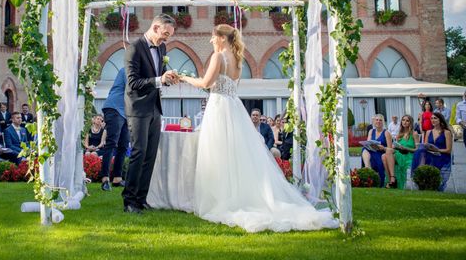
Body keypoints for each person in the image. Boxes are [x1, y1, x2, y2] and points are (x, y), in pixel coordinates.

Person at [180, 24, 336, 232]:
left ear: (222, 39)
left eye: (213, 37)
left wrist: (183, 77)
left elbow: (206, 83)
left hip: (219, 107)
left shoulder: (218, 57)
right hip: (234, 107)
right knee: (235, 154)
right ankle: (234, 194)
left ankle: (223, 198)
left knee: (218, 153)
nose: (211, 40)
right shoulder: (238, 60)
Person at [122, 14, 179, 214]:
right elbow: (133, 83)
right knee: (138, 152)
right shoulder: (134, 48)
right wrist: (159, 80)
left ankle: (141, 199)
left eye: (169, 35)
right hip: (137, 108)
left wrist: (168, 78)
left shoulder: (162, 47)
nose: (166, 39)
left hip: (155, 107)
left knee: (150, 154)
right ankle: (129, 201)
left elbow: (159, 76)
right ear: (155, 27)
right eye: (165, 34)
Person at [100, 68, 130, 192]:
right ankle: (105, 179)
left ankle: (117, 178)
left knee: (123, 145)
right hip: (114, 108)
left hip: (126, 112)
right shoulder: (127, 69)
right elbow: (132, 88)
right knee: (112, 143)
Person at [412, 112, 453, 191]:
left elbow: (448, 150)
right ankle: (420, 175)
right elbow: (426, 146)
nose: (433, 120)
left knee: (424, 156)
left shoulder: (446, 132)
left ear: (440, 120)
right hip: (430, 154)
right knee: (420, 150)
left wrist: (437, 150)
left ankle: (421, 174)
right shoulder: (428, 132)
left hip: (442, 156)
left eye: (435, 118)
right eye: (431, 118)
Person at [382, 114, 418, 189]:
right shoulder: (399, 134)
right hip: (399, 154)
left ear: (410, 123)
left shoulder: (414, 134)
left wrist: (406, 148)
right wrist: (395, 147)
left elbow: (417, 149)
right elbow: (394, 147)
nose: (405, 122)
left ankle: (391, 180)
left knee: (386, 154)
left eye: (407, 121)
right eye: (403, 120)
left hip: (408, 156)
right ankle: (391, 180)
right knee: (384, 156)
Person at [361, 114, 392, 187]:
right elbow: (368, 143)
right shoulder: (371, 131)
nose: (378, 121)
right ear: (374, 122)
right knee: (364, 149)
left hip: (381, 153)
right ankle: (368, 168)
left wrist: (383, 148)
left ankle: (370, 171)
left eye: (380, 120)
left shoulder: (386, 133)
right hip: (372, 151)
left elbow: (390, 149)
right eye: (377, 120)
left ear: (383, 122)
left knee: (368, 152)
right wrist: (369, 145)